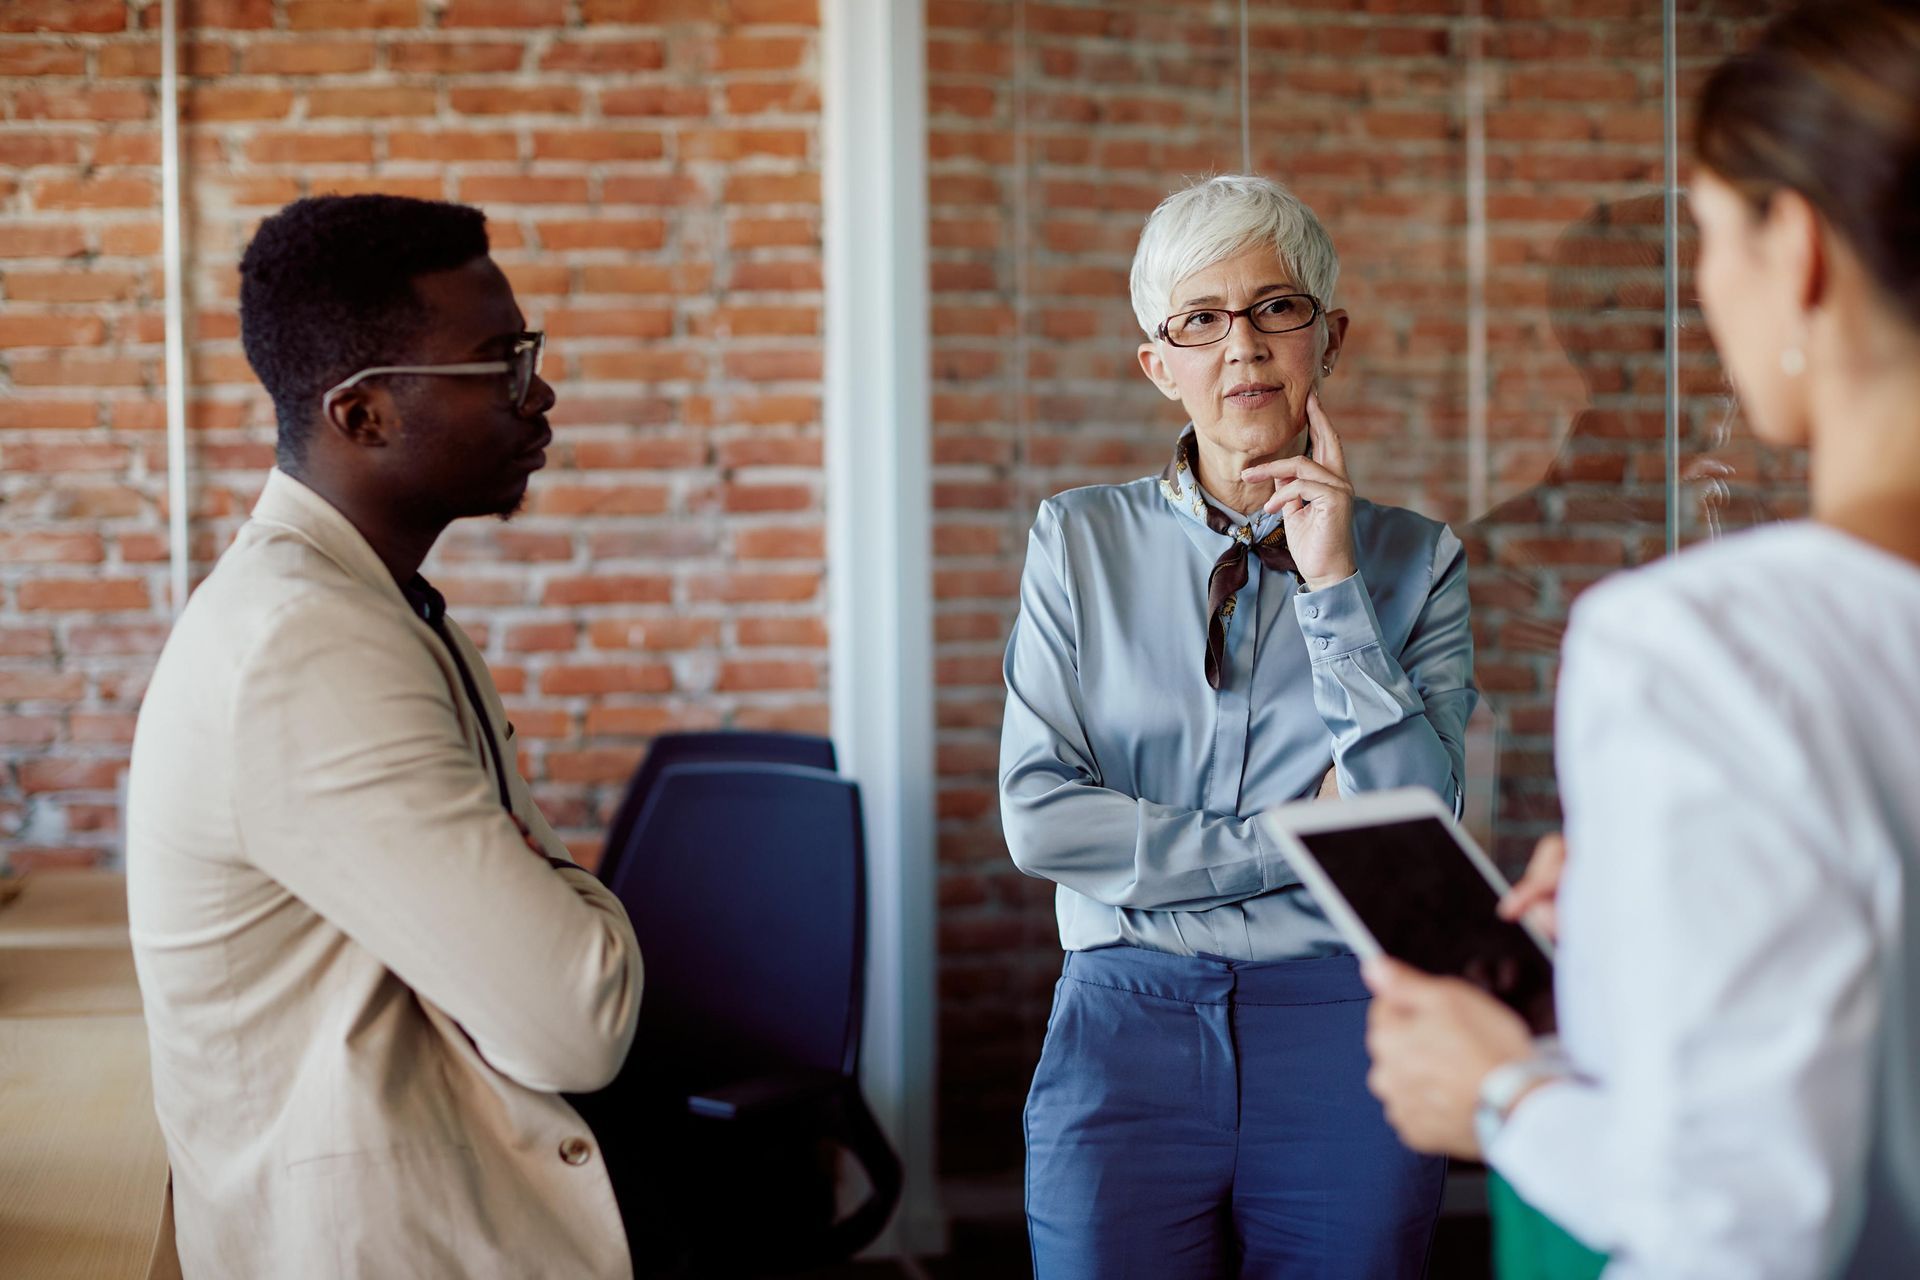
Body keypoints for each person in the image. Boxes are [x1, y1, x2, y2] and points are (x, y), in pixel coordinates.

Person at [1361, 3, 1920, 1276]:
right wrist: (1625, 942)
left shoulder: (1702, 642)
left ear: (1799, 248)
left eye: (1710, 237)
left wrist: (1504, 1096)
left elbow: (1741, 1231)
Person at [125, 194, 643, 1278]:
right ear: (361, 414)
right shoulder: (306, 646)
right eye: (498, 361)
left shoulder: (367, 603)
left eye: (529, 351)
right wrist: (572, 885)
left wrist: (538, 876)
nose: (540, 392)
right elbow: (577, 1015)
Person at [1000, 173, 1477, 1277]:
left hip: (1348, 1027)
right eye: (1201, 321)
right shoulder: (1075, 540)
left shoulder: (1421, 561)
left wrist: (1333, 584)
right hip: (1123, 1018)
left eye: (1277, 308)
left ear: (1330, 337)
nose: (1245, 349)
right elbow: (1038, 822)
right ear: (1158, 365)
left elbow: (1414, 836)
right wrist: (1292, 837)